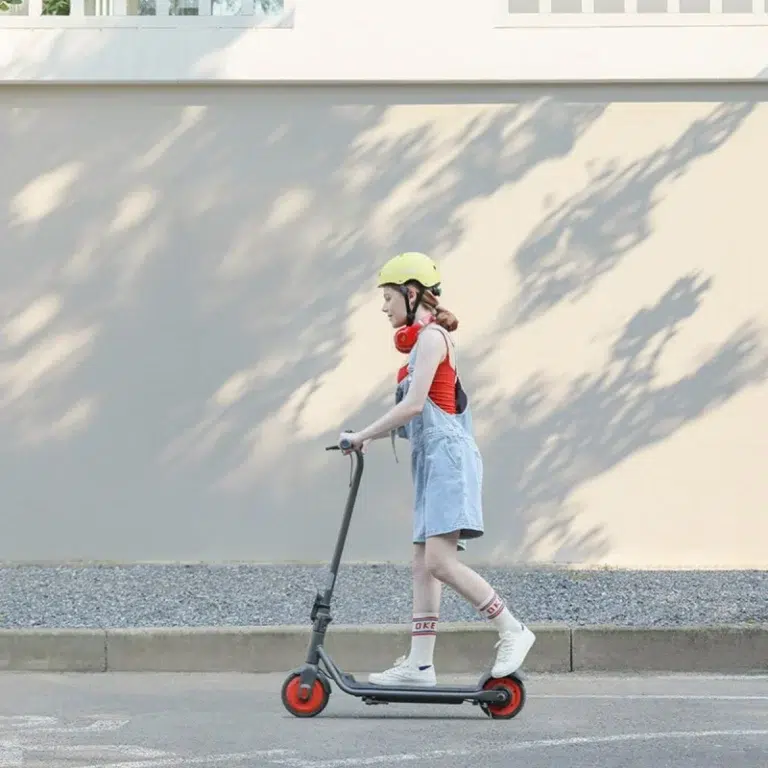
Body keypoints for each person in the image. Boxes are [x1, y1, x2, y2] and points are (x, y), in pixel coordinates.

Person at [337, 251, 536, 687]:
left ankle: (512, 629)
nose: (384, 307)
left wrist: (365, 435)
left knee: (441, 562)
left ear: (412, 294)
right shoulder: (418, 346)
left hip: (448, 462)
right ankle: (420, 665)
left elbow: (413, 406)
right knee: (422, 563)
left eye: (388, 297)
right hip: (430, 463)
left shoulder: (432, 340)